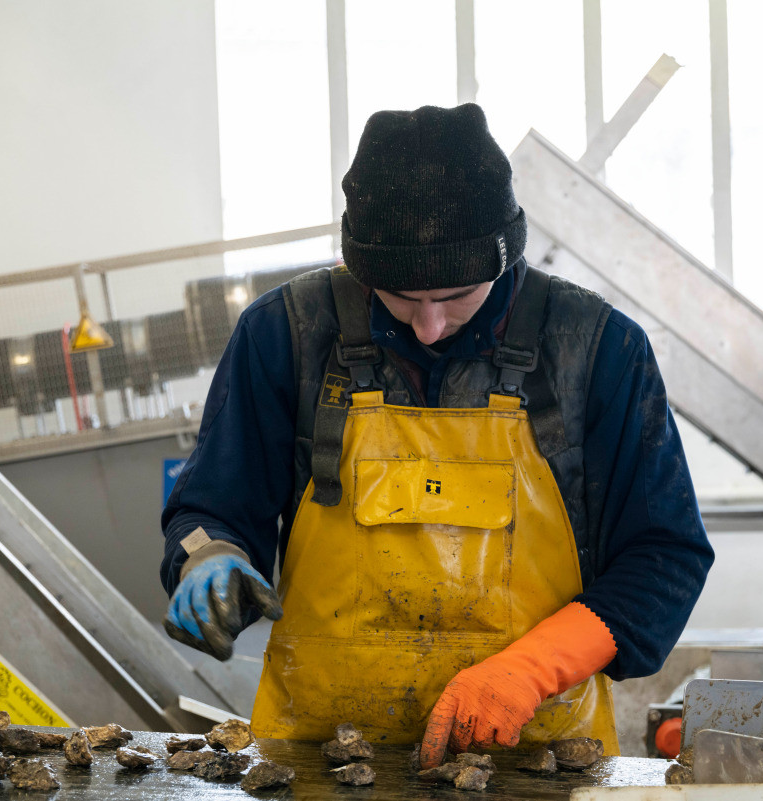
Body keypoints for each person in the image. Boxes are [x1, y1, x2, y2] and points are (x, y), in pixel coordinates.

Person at [160, 103, 713, 767]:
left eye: (455, 295)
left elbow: (664, 555)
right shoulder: (287, 335)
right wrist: (208, 555)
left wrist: (531, 668)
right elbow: (211, 508)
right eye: (398, 297)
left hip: (533, 757)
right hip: (317, 762)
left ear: (504, 259)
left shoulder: (596, 349)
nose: (427, 325)